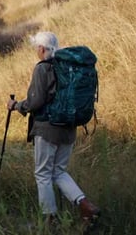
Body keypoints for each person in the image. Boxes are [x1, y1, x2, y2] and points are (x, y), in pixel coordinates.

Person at [7, 32, 100, 225]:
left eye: (36, 48)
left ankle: (50, 218)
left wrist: (16, 106)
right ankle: (85, 206)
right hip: (69, 127)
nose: (36, 51)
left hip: (47, 128)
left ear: (41, 49)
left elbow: (36, 101)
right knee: (59, 171)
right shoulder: (66, 67)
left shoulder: (42, 68)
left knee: (43, 173)